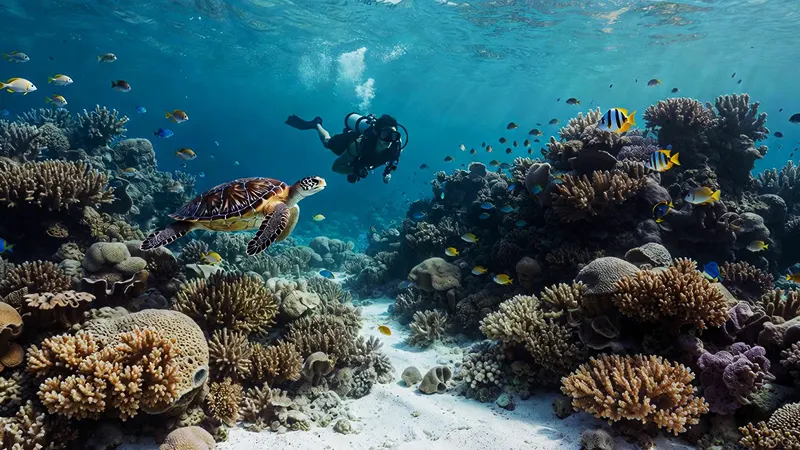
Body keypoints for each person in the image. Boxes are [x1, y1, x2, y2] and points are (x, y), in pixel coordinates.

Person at [286, 113, 405, 184]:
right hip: (351, 141)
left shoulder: (397, 145)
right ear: (376, 133)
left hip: (364, 159)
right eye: (385, 135)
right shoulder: (359, 144)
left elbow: (393, 161)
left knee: (353, 177)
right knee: (327, 143)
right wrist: (355, 170)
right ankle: (316, 124)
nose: (388, 140)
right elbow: (335, 167)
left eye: (393, 136)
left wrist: (387, 173)